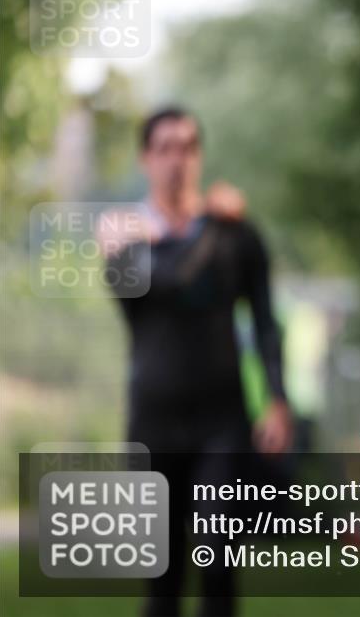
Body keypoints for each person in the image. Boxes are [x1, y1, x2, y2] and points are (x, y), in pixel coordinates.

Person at [101, 106, 294, 617]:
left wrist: (276, 400)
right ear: (146, 158)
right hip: (154, 423)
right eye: (164, 148)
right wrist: (145, 239)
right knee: (161, 580)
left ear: (199, 155)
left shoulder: (235, 235)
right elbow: (152, 289)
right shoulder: (124, 240)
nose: (176, 160)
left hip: (221, 424)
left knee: (217, 564)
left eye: (187, 146)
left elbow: (267, 321)